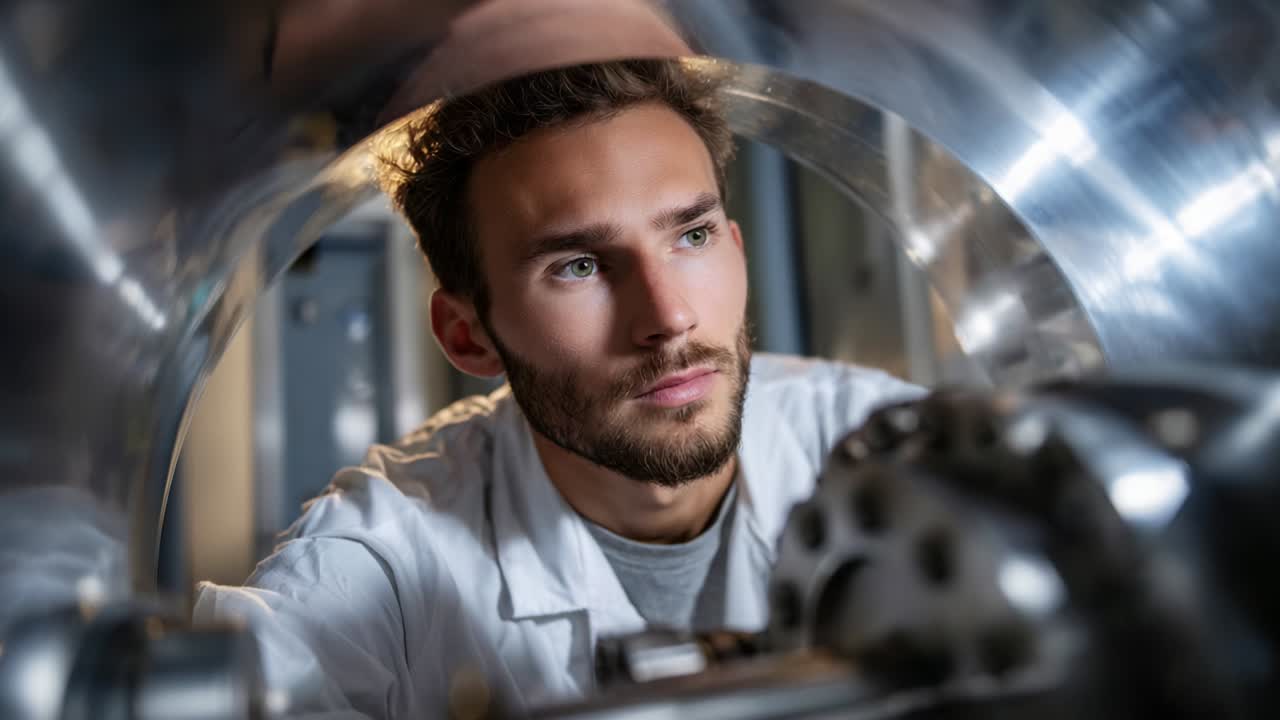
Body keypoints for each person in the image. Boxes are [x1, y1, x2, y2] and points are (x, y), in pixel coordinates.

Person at [195, 59, 922, 718]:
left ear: (735, 247)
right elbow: (245, 675)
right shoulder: (393, 552)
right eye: (579, 265)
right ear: (467, 336)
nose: (669, 317)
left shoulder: (873, 439)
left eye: (691, 236)